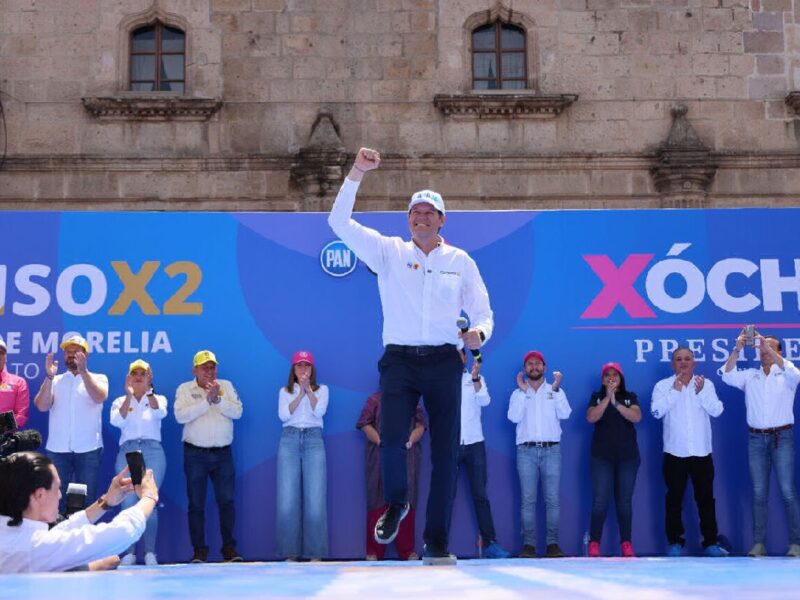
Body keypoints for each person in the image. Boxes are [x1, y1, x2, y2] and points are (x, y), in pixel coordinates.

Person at [328, 147, 493, 566]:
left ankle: (436, 542)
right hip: (399, 361)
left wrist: (480, 334)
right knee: (393, 438)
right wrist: (356, 175)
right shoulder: (388, 253)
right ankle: (397, 503)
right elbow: (338, 222)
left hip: (443, 362)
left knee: (446, 454)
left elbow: (483, 312)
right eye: (414, 213)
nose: (421, 218)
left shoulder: (460, 261)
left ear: (442, 220)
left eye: (429, 212)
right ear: (408, 221)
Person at [0, 451, 159, 573]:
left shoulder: (14, 536)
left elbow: (60, 533)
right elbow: (122, 531)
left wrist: (106, 501)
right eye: (57, 489)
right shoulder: (33, 548)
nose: (60, 495)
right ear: (39, 494)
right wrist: (149, 496)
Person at [721, 328, 800, 557]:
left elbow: (795, 374)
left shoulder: (786, 375)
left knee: (787, 491)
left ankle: (796, 543)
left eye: (769, 347)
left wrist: (768, 347)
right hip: (756, 438)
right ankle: (759, 544)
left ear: (779, 352)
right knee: (758, 493)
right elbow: (727, 374)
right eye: (761, 348)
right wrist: (737, 348)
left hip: (781, 437)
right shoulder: (751, 376)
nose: (763, 351)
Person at [651, 347, 728, 557]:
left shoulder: (706, 384)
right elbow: (656, 412)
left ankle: (711, 542)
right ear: (672, 364)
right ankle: (675, 542)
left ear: (694, 363)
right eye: (678, 359)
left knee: (705, 499)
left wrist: (701, 393)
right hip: (675, 453)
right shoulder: (663, 386)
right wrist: (675, 391)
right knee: (674, 500)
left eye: (687, 359)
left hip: (701, 452)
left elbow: (717, 410)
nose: (683, 363)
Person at [174, 350, 243, 563]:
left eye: (212, 367)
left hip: (222, 454)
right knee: (196, 504)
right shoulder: (185, 389)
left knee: (227, 502)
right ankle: (199, 551)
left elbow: (238, 412)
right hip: (195, 454)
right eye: (204, 367)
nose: (209, 371)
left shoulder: (227, 386)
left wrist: (218, 399)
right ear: (194, 369)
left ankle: (229, 550)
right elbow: (180, 416)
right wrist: (206, 401)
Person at [33, 334, 109, 514]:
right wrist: (49, 377)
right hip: (58, 450)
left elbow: (99, 397)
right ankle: (57, 539)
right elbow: (42, 406)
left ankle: (83, 541)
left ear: (86, 355)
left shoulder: (99, 378)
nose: (71, 355)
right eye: (68, 352)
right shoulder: (56, 380)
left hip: (88, 449)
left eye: (76, 352)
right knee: (55, 501)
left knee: (87, 502)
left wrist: (83, 372)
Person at [507, 350, 570, 558]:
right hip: (526, 451)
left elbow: (566, 414)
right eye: (530, 364)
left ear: (544, 367)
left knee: (552, 499)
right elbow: (514, 417)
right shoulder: (518, 394)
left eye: (538, 363)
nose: (534, 367)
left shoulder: (555, 390)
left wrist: (557, 390)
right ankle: (529, 546)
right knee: (528, 500)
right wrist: (525, 392)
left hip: (552, 450)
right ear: (525, 369)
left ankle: (552, 544)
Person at [110, 359, 168, 566]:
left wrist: (149, 391)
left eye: (143, 373)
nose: (138, 377)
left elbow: (160, 412)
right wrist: (128, 395)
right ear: (128, 377)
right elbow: (117, 421)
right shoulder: (119, 401)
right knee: (127, 503)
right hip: (128, 452)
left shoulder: (157, 398)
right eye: (134, 373)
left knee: (149, 501)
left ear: (149, 377)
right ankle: (129, 553)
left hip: (153, 451)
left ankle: (150, 553)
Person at [357, 391, 426, 561]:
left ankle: (407, 550)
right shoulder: (374, 399)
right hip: (380, 455)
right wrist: (381, 441)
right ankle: (374, 551)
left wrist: (410, 440)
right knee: (377, 497)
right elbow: (365, 424)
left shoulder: (412, 400)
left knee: (406, 498)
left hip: (407, 455)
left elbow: (421, 426)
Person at [275, 351, 329, 561]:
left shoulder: (323, 390)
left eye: (307, 365)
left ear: (312, 369)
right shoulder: (285, 391)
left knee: (315, 498)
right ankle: (290, 553)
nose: (303, 369)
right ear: (293, 369)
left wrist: (309, 392)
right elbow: (283, 415)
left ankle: (315, 553)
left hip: (314, 440)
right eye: (299, 365)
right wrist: (300, 394)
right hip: (289, 439)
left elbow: (319, 412)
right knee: (287, 498)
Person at [455, 350, 508, 559]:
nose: (456, 357)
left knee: (480, 495)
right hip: (449, 444)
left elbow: (485, 400)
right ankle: (435, 544)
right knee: (445, 497)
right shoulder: (440, 380)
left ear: (465, 358)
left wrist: (476, 378)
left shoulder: (475, 379)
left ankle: (490, 544)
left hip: (475, 443)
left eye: (459, 354)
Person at [585, 362, 641, 558]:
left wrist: (615, 402)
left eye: (615, 375)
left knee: (624, 502)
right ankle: (594, 543)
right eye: (607, 375)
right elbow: (591, 417)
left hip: (628, 458)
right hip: (602, 457)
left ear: (621, 379)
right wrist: (607, 399)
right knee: (600, 501)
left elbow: (636, 417)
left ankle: (626, 543)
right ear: (602, 380)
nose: (611, 378)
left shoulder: (629, 396)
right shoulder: (596, 396)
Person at [0, 334, 29, 429]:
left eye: (1, 352)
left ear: (6, 358)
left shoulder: (19, 383)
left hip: (4, 440)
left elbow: (21, 415)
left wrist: (2, 427)